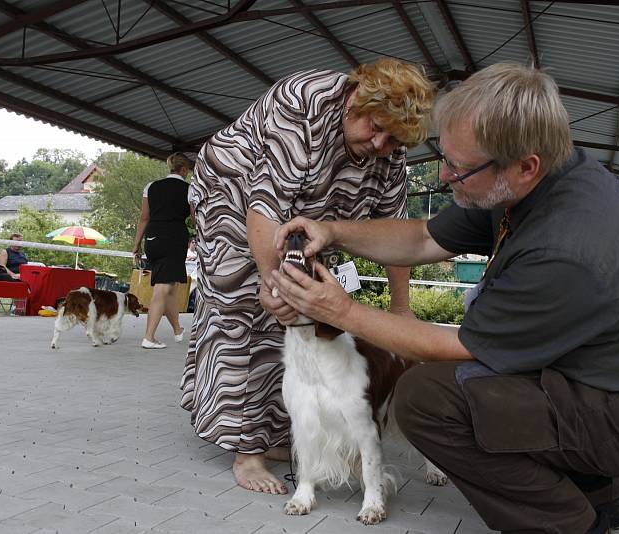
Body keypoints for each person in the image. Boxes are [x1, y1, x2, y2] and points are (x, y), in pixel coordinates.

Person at [271, 63, 619, 533]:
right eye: (446, 159)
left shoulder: (567, 246)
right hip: (595, 382)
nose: (446, 176)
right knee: (475, 383)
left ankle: (563, 520)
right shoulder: (530, 178)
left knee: (426, 397)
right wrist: (332, 231)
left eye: (460, 168)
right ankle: (603, 493)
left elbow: (459, 348)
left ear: (526, 165)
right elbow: (422, 239)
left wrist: (341, 311)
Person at [181, 57, 434, 495]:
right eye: (375, 128)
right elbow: (264, 205)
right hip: (234, 191)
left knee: (305, 314)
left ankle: (282, 433)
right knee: (250, 307)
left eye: (393, 139)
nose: (380, 144)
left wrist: (401, 310)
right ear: (355, 100)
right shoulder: (303, 104)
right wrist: (269, 282)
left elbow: (394, 232)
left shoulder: (390, 150)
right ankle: (247, 451)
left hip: (313, 212)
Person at [133, 152, 192, 349]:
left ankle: (177, 330)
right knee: (163, 287)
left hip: (152, 238)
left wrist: (136, 244)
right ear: (183, 169)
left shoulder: (151, 186)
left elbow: (144, 217)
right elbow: (195, 217)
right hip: (173, 238)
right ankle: (149, 337)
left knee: (170, 287)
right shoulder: (189, 189)